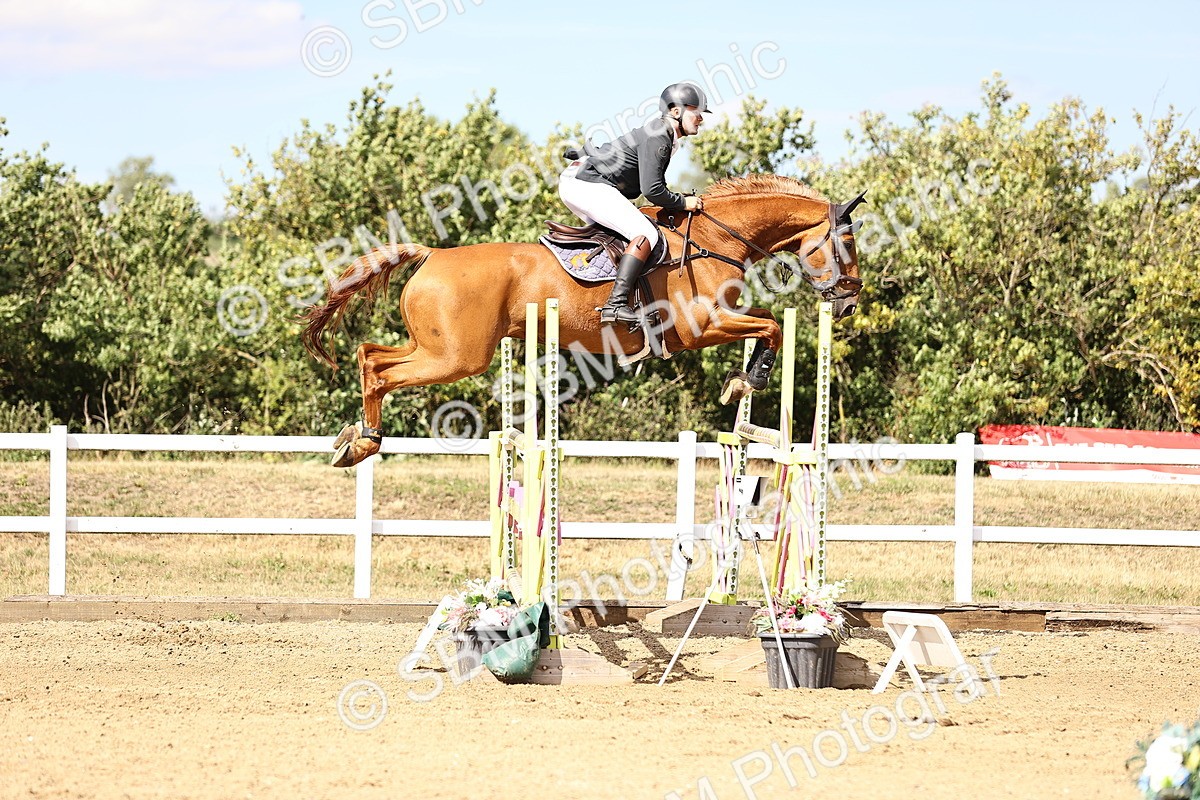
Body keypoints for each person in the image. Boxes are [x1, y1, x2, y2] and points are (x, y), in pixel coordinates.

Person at [559, 82, 710, 325]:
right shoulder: (660, 135)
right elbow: (652, 190)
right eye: (696, 111)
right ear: (675, 112)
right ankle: (615, 305)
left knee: (621, 237)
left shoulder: (667, 136)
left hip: (583, 180)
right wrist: (683, 202)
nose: (701, 118)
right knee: (645, 234)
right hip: (586, 183)